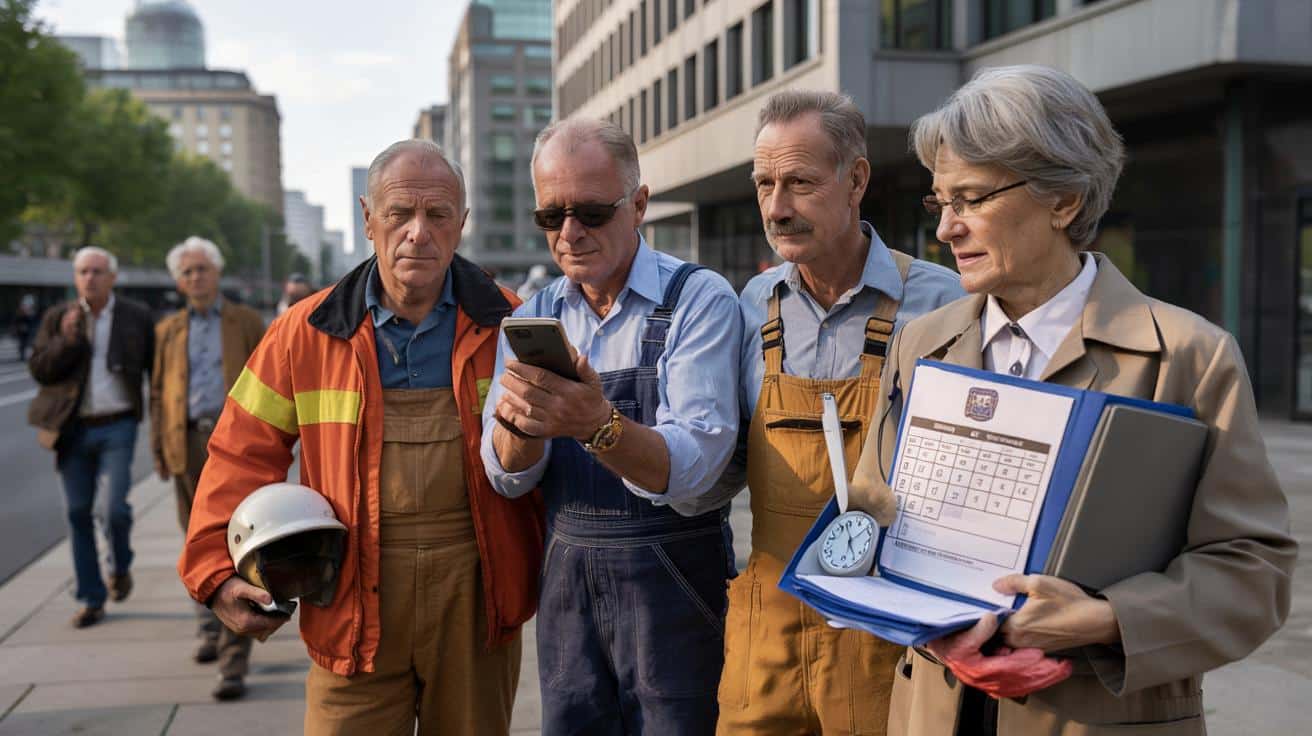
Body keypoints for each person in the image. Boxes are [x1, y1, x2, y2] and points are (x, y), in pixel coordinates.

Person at [847, 65, 1296, 735]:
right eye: (939, 202)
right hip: (934, 710)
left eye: (970, 199)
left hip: (1096, 717)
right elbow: (871, 520)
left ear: (1064, 201)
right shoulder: (920, 344)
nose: (946, 229)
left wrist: (1106, 618)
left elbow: (1252, 574)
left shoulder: (1190, 357)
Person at [177, 139, 543, 735]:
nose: (418, 233)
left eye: (438, 214)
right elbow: (240, 450)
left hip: (477, 600)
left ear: (462, 225)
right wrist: (216, 569)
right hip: (349, 597)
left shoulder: (514, 325)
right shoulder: (305, 332)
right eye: (399, 213)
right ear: (368, 219)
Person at [708, 91, 964, 735]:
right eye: (764, 182)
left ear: (856, 181)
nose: (775, 207)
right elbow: (724, 461)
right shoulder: (751, 303)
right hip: (767, 623)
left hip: (885, 626)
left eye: (799, 182)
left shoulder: (943, 303)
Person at [481, 117, 742, 734]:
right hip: (567, 584)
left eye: (591, 213)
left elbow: (693, 466)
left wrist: (596, 423)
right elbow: (505, 476)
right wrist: (521, 426)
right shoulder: (533, 315)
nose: (569, 233)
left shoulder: (698, 299)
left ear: (640, 204)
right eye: (551, 217)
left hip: (674, 584)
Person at [150, 236, 266, 700]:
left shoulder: (247, 321)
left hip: (235, 449)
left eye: (202, 268)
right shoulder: (167, 331)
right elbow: (157, 393)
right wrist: (158, 448)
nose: (196, 277)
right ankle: (208, 627)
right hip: (185, 443)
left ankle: (233, 658)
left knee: (237, 547)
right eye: (187, 271)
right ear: (179, 282)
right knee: (195, 541)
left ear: (217, 273)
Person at [27, 247, 155, 628]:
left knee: (113, 509)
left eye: (98, 271)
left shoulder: (136, 316)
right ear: (75, 277)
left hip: (118, 424)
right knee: (77, 513)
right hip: (73, 428)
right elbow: (39, 370)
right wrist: (66, 340)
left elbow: (157, 372)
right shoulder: (57, 317)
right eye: (83, 272)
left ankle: (119, 565)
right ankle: (91, 597)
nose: (90, 278)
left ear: (113, 277)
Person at [13, 294, 40, 362]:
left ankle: (33, 355)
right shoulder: (20, 313)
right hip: (22, 332)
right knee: (22, 344)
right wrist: (20, 327)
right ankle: (22, 355)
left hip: (30, 331)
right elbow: (17, 321)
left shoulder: (33, 313)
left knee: (32, 343)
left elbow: (35, 321)